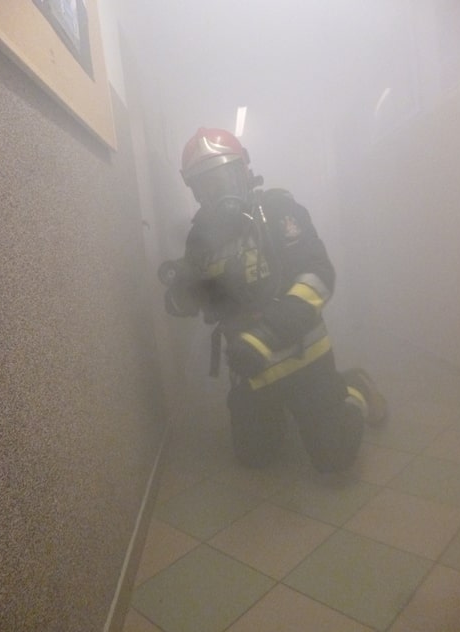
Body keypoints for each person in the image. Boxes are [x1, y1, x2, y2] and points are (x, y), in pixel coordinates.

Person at [161, 127, 386, 470]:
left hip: (306, 359)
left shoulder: (278, 211)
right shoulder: (200, 238)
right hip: (253, 373)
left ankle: (353, 388)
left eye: (224, 180)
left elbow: (318, 276)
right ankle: (285, 415)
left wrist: (265, 335)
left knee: (335, 460)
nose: (218, 194)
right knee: (255, 458)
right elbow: (200, 301)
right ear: (195, 191)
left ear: (245, 172)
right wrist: (181, 294)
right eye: (206, 186)